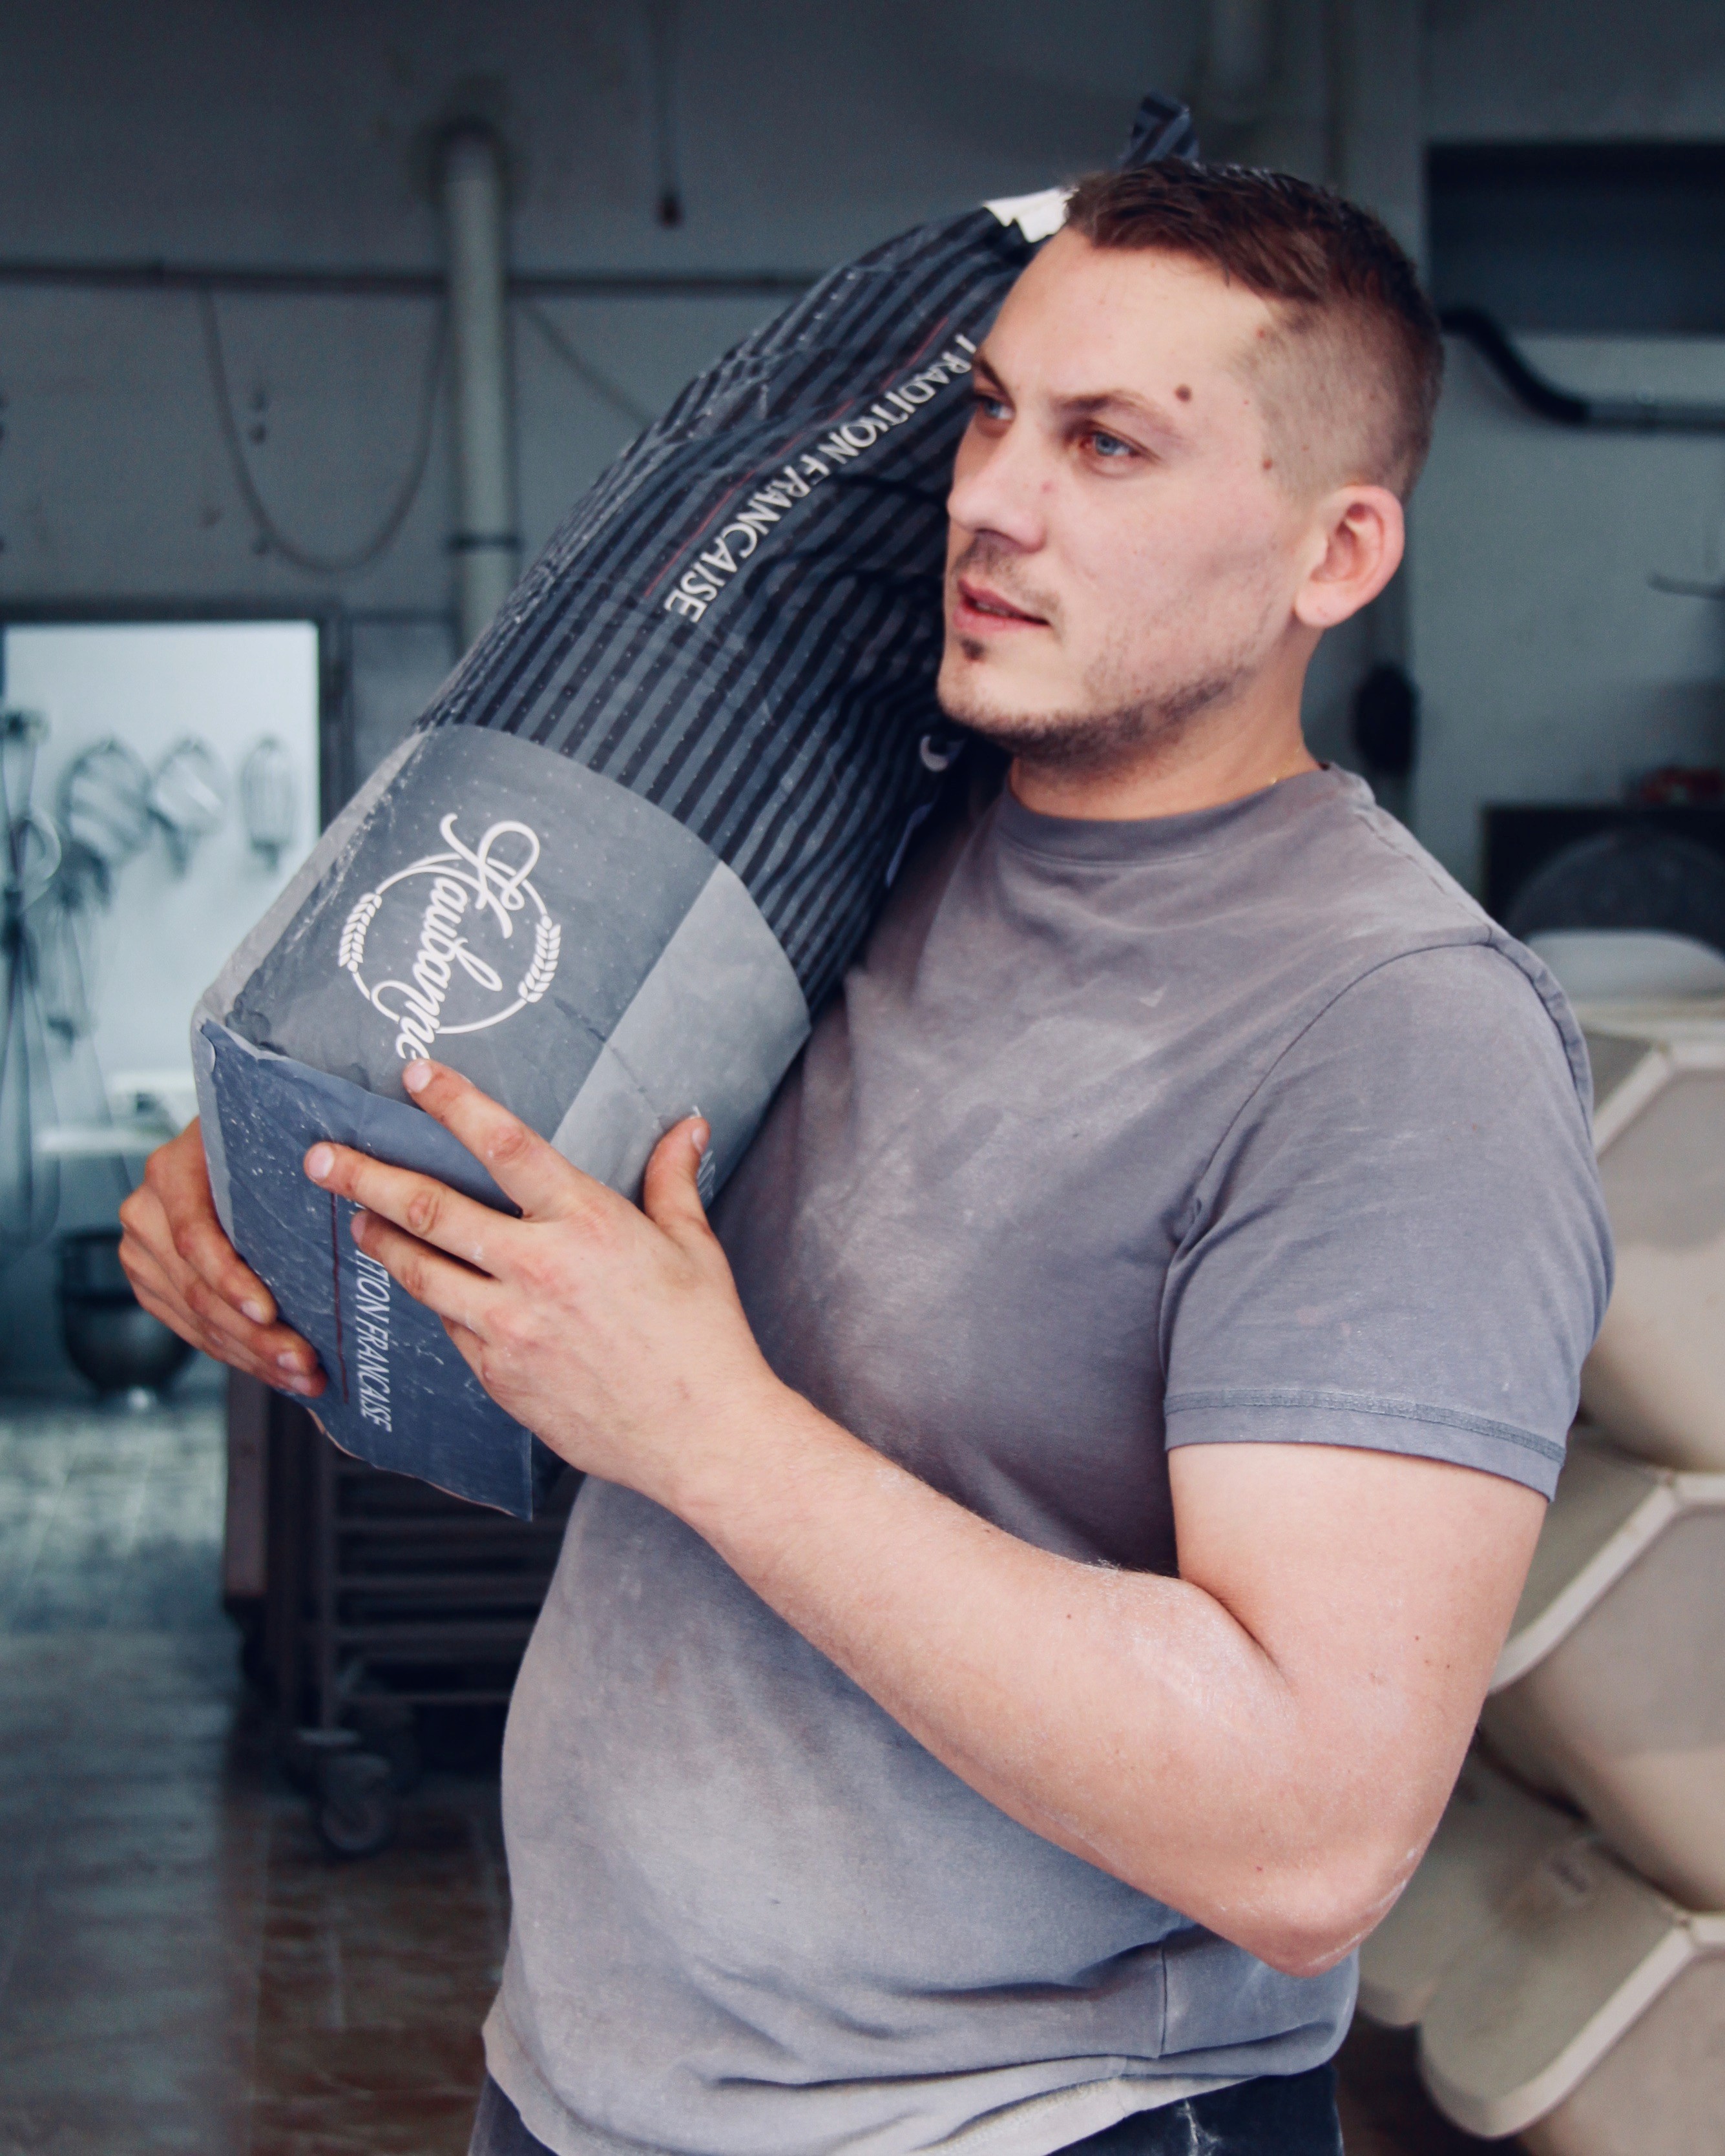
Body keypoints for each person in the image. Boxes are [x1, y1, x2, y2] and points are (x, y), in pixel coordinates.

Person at [120, 160, 1611, 2156]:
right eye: (993, 410)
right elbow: (576, 1242)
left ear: (1335, 554)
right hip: (581, 2087)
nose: (993, 499)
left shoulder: (1399, 1031)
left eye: (1109, 444)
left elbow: (1311, 1826)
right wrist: (254, 1188)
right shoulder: (864, 842)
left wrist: (703, 1425)